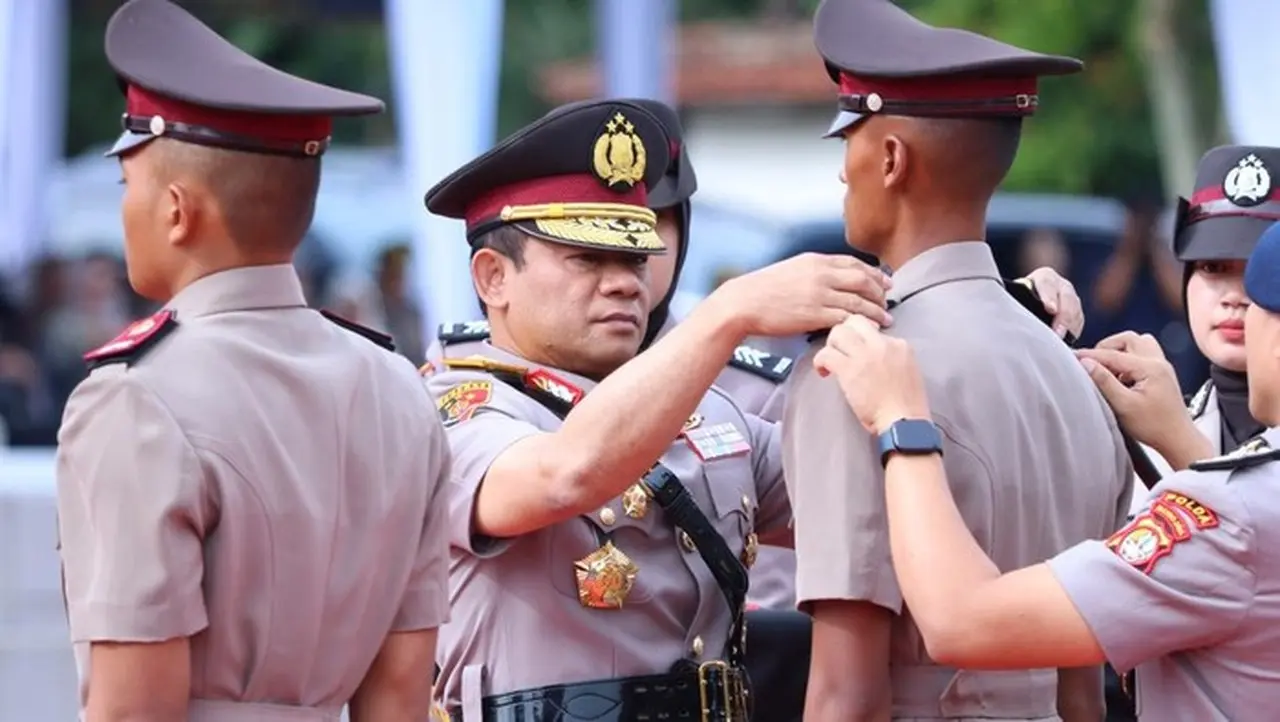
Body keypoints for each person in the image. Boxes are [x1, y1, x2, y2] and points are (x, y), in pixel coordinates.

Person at [420, 97, 892, 721]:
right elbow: (565, 474)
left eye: (635, 259)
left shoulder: (714, 413)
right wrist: (728, 313)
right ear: (492, 278)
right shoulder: (455, 407)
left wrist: (994, 327)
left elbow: (872, 494)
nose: (624, 282)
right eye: (588, 258)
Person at [54, 2, 450, 720]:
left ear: (176, 210)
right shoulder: (399, 389)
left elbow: (131, 708)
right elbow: (400, 696)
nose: (124, 209)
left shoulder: (135, 397)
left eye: (127, 186)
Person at [782, 1, 1134, 721]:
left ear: (890, 159)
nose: (841, 172)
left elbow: (847, 694)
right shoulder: (1071, 371)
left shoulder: (859, 366)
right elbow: (1080, 696)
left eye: (847, 138)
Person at [812, 215, 1280, 722]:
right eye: (1213, 269)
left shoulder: (1235, 515)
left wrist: (901, 419)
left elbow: (960, 624)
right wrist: (1177, 439)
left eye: (1254, 299)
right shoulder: (1242, 504)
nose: (1238, 308)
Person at [1085, 145, 1280, 722]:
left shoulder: (1165, 434)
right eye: (1213, 268)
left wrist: (1180, 449)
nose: (1233, 296)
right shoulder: (1142, 436)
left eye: (1259, 270)